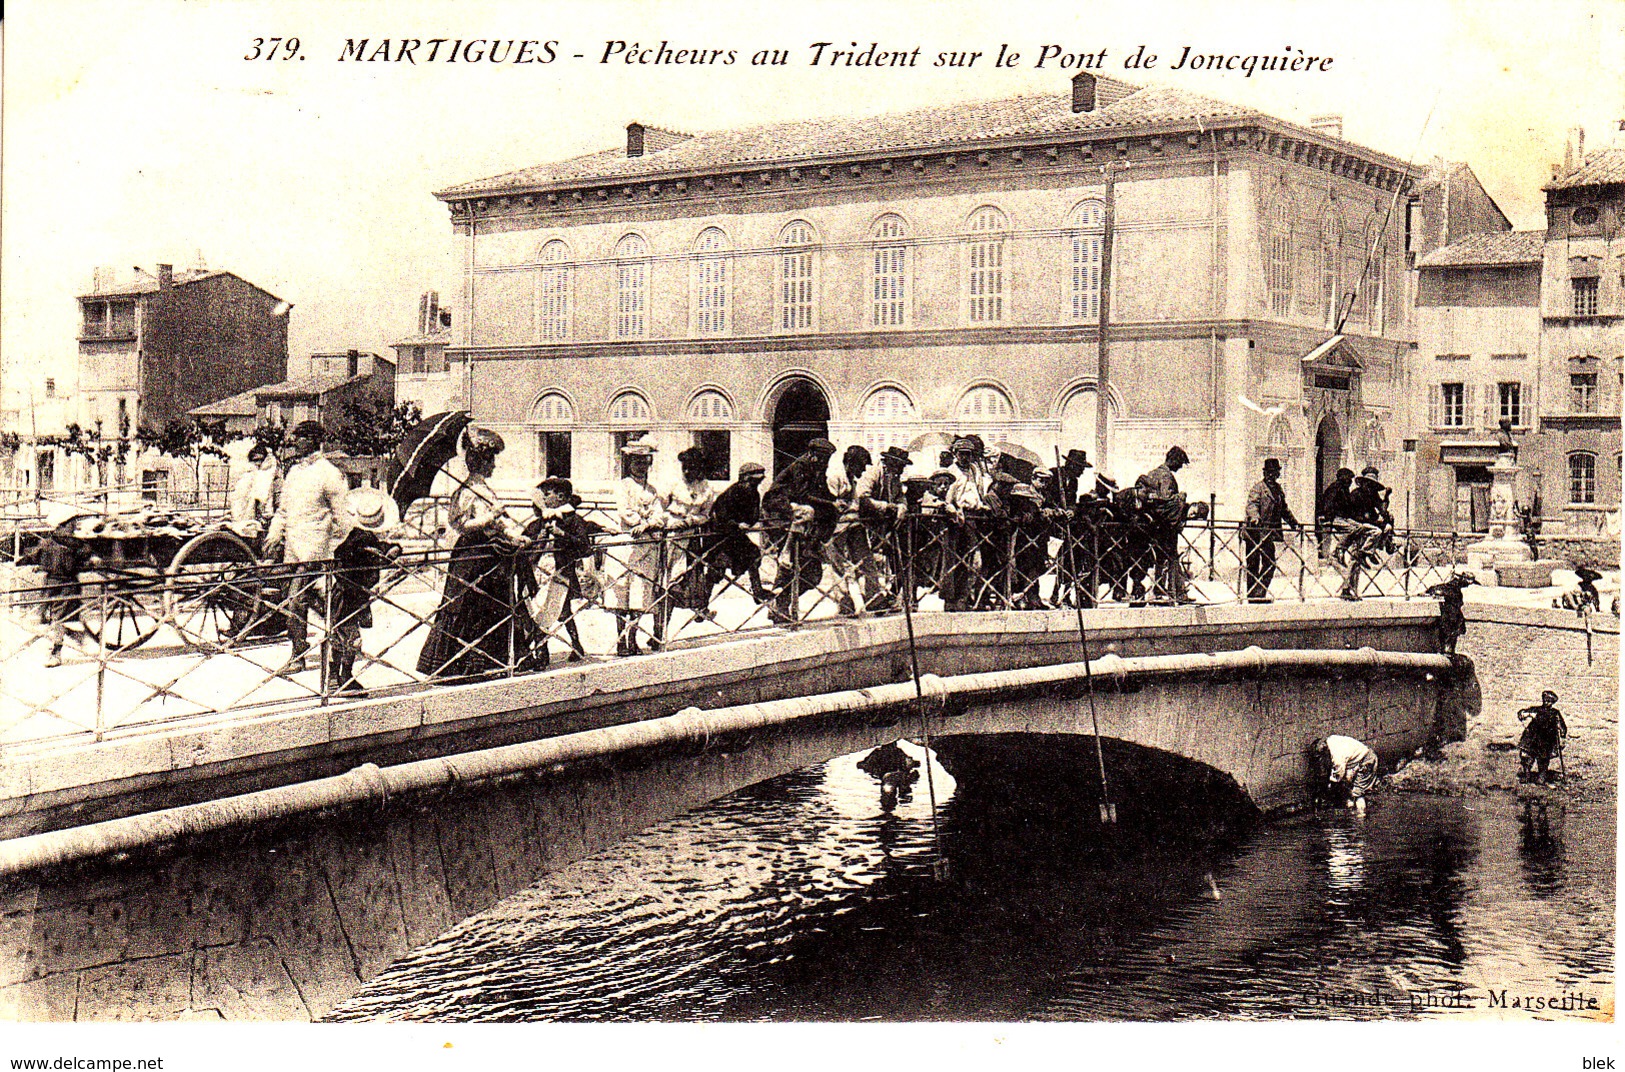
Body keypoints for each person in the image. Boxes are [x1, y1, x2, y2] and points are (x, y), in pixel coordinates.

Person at [415, 427, 533, 679]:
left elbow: (495, 525)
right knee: (469, 605)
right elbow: (459, 524)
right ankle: (462, 666)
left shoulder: (483, 489)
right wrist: (492, 515)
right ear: (481, 461)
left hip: (489, 555)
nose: (494, 466)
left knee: (490, 607)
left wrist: (513, 534)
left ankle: (487, 663)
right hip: (472, 556)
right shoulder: (468, 490)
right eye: (491, 460)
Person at [265, 421, 355, 674]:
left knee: (301, 602)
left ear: (314, 440)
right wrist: (274, 534)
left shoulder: (329, 473)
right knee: (302, 604)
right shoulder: (294, 473)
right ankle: (309, 653)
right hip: (292, 551)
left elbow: (343, 518)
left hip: (317, 552)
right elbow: (283, 510)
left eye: (301, 437)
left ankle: (309, 657)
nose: (295, 442)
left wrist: (330, 550)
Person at [328, 487, 402, 693]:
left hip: (349, 593)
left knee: (339, 635)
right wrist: (384, 553)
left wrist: (390, 549)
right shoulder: (360, 541)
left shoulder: (359, 536)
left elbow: (379, 547)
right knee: (351, 637)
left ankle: (334, 676)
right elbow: (366, 552)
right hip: (349, 594)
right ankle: (344, 677)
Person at [524, 477, 602, 665]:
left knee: (551, 611)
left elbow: (584, 546)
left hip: (560, 573)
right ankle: (563, 646)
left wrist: (562, 535)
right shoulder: (540, 521)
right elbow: (527, 537)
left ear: (561, 497)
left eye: (547, 494)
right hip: (537, 573)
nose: (544, 498)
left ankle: (545, 652)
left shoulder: (571, 520)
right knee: (542, 610)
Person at [761, 438, 840, 623]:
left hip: (799, 522)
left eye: (827, 459)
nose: (825, 462)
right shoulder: (800, 467)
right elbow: (803, 495)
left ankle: (780, 602)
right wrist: (830, 504)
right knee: (788, 562)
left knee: (812, 574)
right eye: (822, 458)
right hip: (780, 513)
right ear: (813, 455)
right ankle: (779, 607)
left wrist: (836, 501)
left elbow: (821, 493)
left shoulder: (817, 468)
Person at [612, 440, 668, 655]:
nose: (640, 466)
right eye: (636, 462)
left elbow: (658, 514)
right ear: (629, 463)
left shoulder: (652, 490)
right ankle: (620, 640)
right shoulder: (623, 485)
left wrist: (647, 525)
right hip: (626, 543)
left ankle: (633, 639)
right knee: (620, 593)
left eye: (644, 462)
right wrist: (638, 523)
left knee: (639, 594)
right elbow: (625, 511)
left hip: (645, 545)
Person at [20, 510, 94, 667]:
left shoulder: (61, 543)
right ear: (64, 525)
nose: (75, 525)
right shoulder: (68, 544)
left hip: (65, 586)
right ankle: (75, 635)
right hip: (55, 584)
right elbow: (35, 556)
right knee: (48, 618)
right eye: (72, 522)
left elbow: (35, 556)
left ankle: (55, 653)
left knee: (57, 619)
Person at [664, 446, 720, 625]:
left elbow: (705, 514)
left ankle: (699, 609)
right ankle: (660, 629)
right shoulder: (673, 484)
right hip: (671, 536)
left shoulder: (706, 488)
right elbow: (660, 508)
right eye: (685, 467)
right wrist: (671, 522)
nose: (688, 471)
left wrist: (692, 521)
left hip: (692, 538)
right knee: (670, 581)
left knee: (692, 578)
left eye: (693, 468)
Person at [707, 461, 770, 609]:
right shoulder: (734, 492)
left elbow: (753, 515)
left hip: (736, 536)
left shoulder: (754, 493)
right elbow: (719, 514)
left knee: (754, 554)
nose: (756, 483)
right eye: (753, 480)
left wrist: (748, 522)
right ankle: (702, 603)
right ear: (745, 478)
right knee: (717, 567)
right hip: (720, 535)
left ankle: (757, 591)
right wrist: (735, 524)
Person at [941, 436, 993, 611]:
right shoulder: (951, 472)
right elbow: (947, 499)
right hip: (956, 519)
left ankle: (964, 597)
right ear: (955, 454)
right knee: (953, 559)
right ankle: (950, 600)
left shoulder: (974, 470)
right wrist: (954, 510)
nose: (965, 457)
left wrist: (983, 506)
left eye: (968, 454)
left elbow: (979, 492)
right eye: (962, 454)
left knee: (973, 560)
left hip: (973, 518)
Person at [1241, 458, 1303, 602]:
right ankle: (1252, 596)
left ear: (1278, 474)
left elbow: (1284, 510)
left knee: (1270, 563)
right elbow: (1252, 505)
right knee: (1253, 564)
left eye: (1274, 473)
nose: (1271, 475)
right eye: (1268, 473)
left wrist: (1294, 523)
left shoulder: (1278, 490)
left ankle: (1259, 592)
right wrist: (1255, 517)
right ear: (1264, 473)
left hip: (1268, 533)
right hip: (1254, 532)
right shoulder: (1258, 488)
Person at [1136, 446, 1193, 604]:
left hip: (1151, 524)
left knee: (1161, 558)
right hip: (1165, 525)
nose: (1180, 467)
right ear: (1174, 460)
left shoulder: (1153, 473)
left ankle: (1163, 590)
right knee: (1170, 557)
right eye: (1180, 463)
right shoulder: (1166, 476)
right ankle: (1174, 592)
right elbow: (1165, 499)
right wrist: (1181, 497)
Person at [1312, 734, 1380, 813]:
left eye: (1322, 756)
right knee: (1349, 789)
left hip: (1367, 761)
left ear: (1325, 748)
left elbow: (1338, 774)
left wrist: (1330, 786)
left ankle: (1360, 817)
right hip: (1359, 760)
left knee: (1357, 793)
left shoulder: (1337, 756)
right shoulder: (1331, 740)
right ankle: (1352, 809)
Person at [229, 443, 280, 540]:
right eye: (254, 460)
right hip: (246, 520)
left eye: (260, 460)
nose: (257, 463)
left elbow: (265, 499)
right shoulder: (249, 475)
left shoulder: (267, 475)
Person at [1517, 690, 1567, 784]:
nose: (1546, 702)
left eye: (1549, 701)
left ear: (1552, 702)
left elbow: (1562, 726)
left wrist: (1563, 736)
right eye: (1545, 700)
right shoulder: (1536, 710)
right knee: (1527, 756)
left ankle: (1541, 776)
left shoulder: (1555, 713)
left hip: (1546, 739)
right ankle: (1527, 775)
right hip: (1532, 738)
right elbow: (1522, 713)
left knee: (1543, 759)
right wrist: (1523, 714)